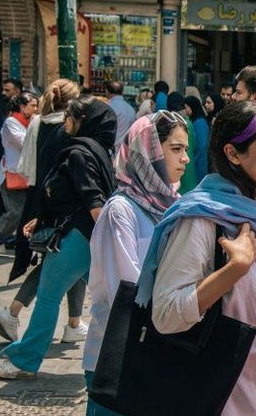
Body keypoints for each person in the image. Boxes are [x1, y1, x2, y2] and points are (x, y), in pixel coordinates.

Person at [138, 102, 256, 415]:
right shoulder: (201, 219)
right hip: (217, 400)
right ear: (233, 154)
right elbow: (166, 315)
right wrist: (234, 270)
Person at [0, 96, 117, 380]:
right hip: (86, 237)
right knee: (108, 300)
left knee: (47, 297)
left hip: (77, 239)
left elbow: (93, 200)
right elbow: (76, 197)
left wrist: (110, 239)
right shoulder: (98, 151)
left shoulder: (80, 153)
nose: (65, 121)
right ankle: (119, 356)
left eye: (70, 116)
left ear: (84, 121)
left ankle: (24, 361)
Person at [82, 111, 188, 415]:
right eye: (176, 149)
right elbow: (125, 289)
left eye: (186, 149)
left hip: (156, 351)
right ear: (149, 152)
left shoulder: (174, 205)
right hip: (116, 356)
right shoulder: (120, 211)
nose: (185, 159)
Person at [0, 80, 86, 344]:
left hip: (38, 198)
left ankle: (74, 322)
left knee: (69, 258)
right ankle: (14, 312)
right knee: (63, 258)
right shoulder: (70, 127)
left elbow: (26, 167)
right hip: (64, 202)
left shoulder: (36, 123)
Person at [0, 91, 39, 251]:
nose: (35, 109)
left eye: (37, 106)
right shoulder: (11, 122)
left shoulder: (31, 122)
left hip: (28, 175)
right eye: (32, 105)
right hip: (12, 174)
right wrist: (35, 126)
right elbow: (26, 143)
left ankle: (20, 242)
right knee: (15, 212)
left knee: (27, 213)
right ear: (21, 106)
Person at [183, 95, 209, 186]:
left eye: (186, 107)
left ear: (192, 107)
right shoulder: (194, 120)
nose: (185, 110)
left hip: (199, 162)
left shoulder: (200, 122)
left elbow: (201, 145)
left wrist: (193, 160)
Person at [105, 81, 137, 148]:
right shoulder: (131, 109)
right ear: (122, 92)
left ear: (107, 91)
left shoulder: (109, 107)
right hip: (127, 147)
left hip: (113, 148)